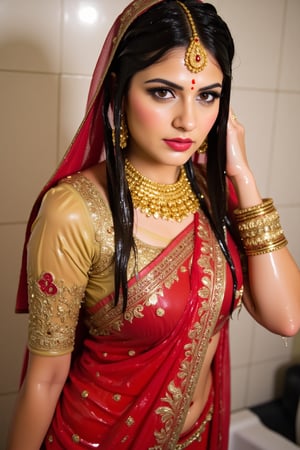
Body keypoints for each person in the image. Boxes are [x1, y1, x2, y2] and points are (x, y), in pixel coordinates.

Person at [7, 0, 300, 449]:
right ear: (119, 91)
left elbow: (286, 318)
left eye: (207, 96)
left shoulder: (211, 192)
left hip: (198, 437)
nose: (188, 119)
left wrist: (241, 173)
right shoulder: (74, 212)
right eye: (163, 91)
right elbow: (44, 382)